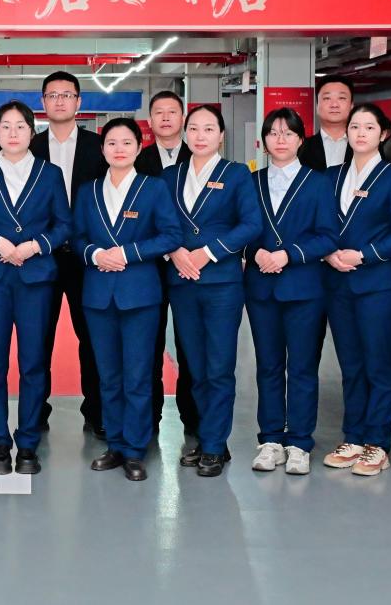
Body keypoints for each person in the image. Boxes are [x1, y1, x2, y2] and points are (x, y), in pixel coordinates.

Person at [0, 101, 71, 476]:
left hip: (35, 276)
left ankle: (27, 442)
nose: (13, 133)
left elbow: (64, 224)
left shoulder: (50, 173)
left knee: (33, 362)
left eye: (20, 126)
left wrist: (36, 245)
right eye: (5, 127)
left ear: (31, 131)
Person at [74, 118, 181, 482]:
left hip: (140, 294)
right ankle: (115, 444)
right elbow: (76, 237)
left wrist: (127, 253)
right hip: (98, 294)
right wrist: (93, 254)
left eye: (126, 143)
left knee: (137, 375)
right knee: (108, 375)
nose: (119, 149)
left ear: (138, 147)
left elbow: (170, 235)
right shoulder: (88, 191)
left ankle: (135, 448)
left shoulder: (153, 188)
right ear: (102, 149)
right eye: (112, 143)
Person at [162, 105, 260, 477]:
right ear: (185, 134)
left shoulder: (236, 174)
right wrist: (174, 251)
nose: (200, 135)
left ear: (221, 135)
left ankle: (215, 445)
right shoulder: (170, 176)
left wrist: (209, 252)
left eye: (208, 129)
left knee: (219, 366)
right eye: (194, 128)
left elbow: (250, 224)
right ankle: (207, 437)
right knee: (195, 366)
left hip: (221, 282)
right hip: (182, 281)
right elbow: (159, 222)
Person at [320, 102, 391, 477]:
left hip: (376, 283)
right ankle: (354, 436)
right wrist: (329, 254)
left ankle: (378, 441)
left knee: (378, 363)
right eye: (355, 127)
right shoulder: (331, 177)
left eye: (369, 127)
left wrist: (363, 255)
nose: (360, 133)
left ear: (383, 134)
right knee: (351, 364)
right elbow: (319, 224)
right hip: (337, 281)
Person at [244, 108, 337, 477]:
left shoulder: (319, 183)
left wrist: (288, 255)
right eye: (273, 133)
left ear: (301, 139)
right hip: (261, 288)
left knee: (302, 366)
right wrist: (254, 253)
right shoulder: (251, 181)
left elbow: (328, 236)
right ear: (263, 141)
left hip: (305, 288)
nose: (280, 140)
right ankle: (270, 438)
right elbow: (241, 229)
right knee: (267, 365)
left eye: (288, 133)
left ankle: (299, 442)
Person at [32, 71, 106, 436]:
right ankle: (36, 411)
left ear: (79, 102)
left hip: (85, 257)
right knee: (38, 338)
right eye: (52, 95)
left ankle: (96, 411)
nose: (59, 101)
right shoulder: (29, 146)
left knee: (91, 337)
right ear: (43, 102)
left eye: (67, 95)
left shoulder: (99, 146)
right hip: (41, 256)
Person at [133, 90, 198, 436]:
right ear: (150, 120)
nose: (166, 118)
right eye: (159, 112)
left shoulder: (200, 155)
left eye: (173, 111)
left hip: (193, 266)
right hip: (150, 267)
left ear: (183, 117)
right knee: (149, 345)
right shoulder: (138, 160)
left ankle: (194, 419)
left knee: (190, 346)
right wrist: (169, 248)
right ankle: (149, 418)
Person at [299, 76, 391, 171]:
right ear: (317, 106)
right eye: (327, 98)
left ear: (352, 105)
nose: (334, 105)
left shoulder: (373, 148)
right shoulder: (300, 148)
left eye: (342, 98)